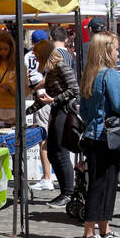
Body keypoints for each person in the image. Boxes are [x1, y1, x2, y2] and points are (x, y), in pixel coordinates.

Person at [78, 31, 120, 238]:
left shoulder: (89, 74)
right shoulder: (110, 74)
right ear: (106, 50)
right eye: (115, 47)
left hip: (92, 134)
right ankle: (90, 233)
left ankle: (104, 229)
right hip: (107, 136)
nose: (118, 51)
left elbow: (83, 110)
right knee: (104, 185)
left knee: (101, 184)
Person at [31, 36, 79, 207]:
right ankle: (65, 191)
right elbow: (46, 97)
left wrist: (55, 100)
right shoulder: (50, 70)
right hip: (57, 111)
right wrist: (27, 112)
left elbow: (74, 89)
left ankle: (67, 193)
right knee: (52, 151)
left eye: (37, 55)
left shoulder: (60, 66)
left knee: (59, 152)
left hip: (64, 112)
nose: (35, 58)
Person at [25, 30, 55, 191]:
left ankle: (47, 177)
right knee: (45, 136)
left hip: (42, 96)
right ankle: (47, 176)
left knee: (43, 137)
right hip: (47, 98)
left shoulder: (30, 55)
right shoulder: (49, 54)